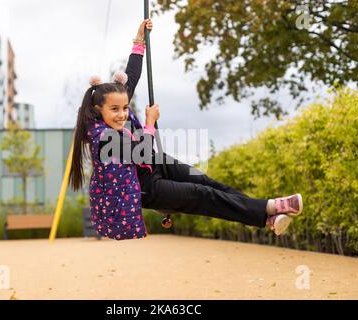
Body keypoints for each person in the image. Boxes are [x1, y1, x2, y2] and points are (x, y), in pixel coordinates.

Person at [68, 19, 304, 241]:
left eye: (125, 107)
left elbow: (131, 77)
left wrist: (139, 41)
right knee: (201, 195)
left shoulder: (115, 106)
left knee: (206, 181)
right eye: (115, 109)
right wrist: (150, 122)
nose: (122, 114)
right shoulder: (101, 136)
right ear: (99, 109)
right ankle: (270, 208)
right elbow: (139, 151)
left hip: (156, 162)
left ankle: (268, 216)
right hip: (145, 187)